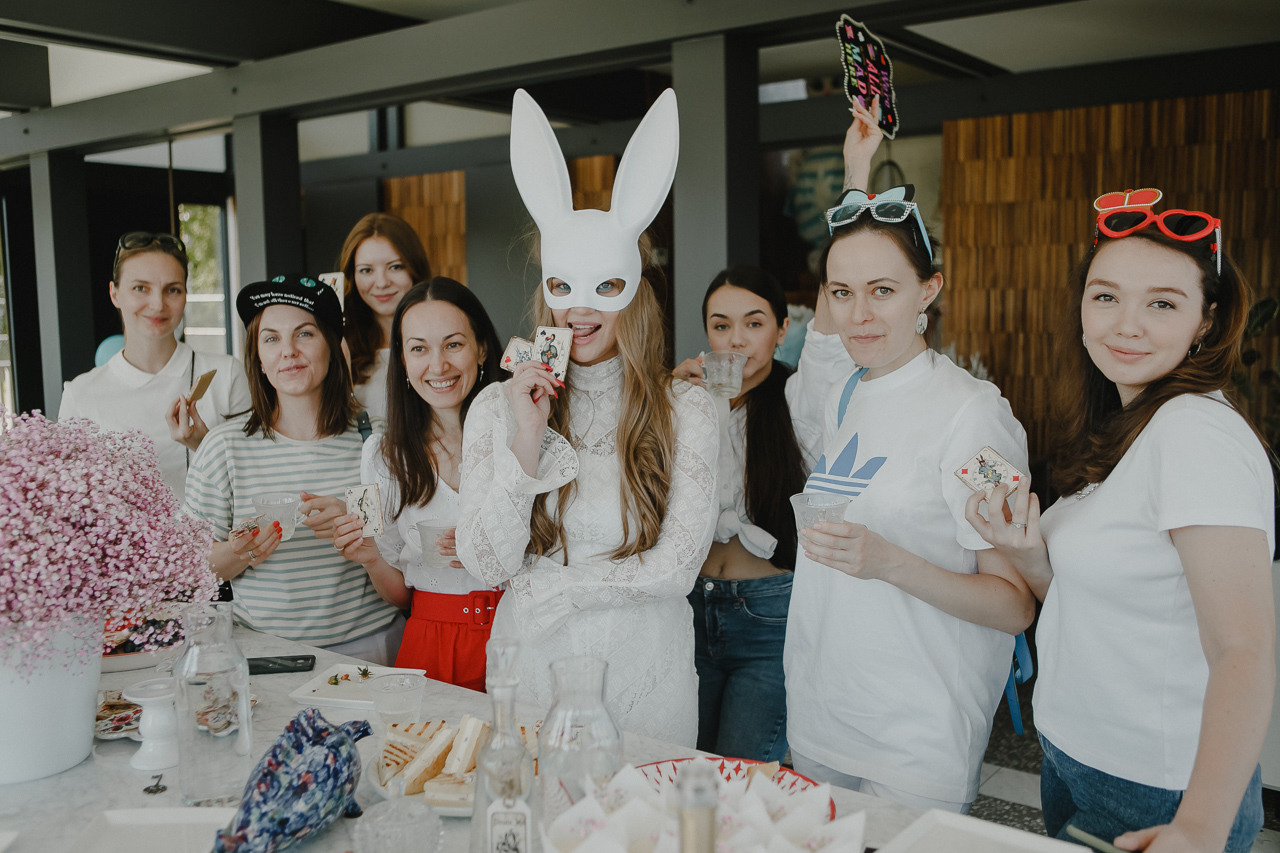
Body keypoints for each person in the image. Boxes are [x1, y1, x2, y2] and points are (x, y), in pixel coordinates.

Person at [965, 189, 1274, 853]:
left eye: (1161, 302)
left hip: (1155, 788)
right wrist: (1026, 556)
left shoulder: (1196, 434)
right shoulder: (1134, 426)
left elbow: (1244, 650)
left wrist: (1196, 828)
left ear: (1206, 320)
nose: (1125, 324)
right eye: (1106, 296)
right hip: (1079, 761)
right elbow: (1107, 602)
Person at [456, 87, 717, 746]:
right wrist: (525, 434)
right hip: (531, 667)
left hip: (644, 669)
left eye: (604, 286)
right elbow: (486, 562)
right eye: (563, 285)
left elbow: (677, 566)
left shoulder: (689, 409)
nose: (580, 308)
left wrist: (563, 590)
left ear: (634, 289)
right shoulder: (498, 403)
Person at [782, 176, 1035, 811]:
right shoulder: (846, 395)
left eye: (883, 291)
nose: (859, 315)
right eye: (842, 293)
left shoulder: (973, 415)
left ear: (929, 289)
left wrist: (889, 561)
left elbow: (1014, 605)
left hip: (915, 734)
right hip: (819, 709)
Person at [184, 275, 401, 662]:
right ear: (259, 359)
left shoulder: (375, 441)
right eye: (271, 339)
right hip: (267, 653)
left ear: (332, 348)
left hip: (372, 649)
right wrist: (241, 551)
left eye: (304, 334)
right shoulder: (223, 448)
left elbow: (405, 564)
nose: (288, 351)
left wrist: (356, 521)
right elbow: (192, 568)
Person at [671, 266, 816, 762]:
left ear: (782, 330)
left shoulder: (799, 403)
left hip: (769, 613)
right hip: (688, 605)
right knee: (685, 763)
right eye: (721, 325)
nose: (736, 341)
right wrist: (666, 398)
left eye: (754, 324)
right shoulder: (685, 402)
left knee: (742, 772)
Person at [331, 277, 504, 690]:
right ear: (404, 362)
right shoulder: (381, 457)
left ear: (481, 348)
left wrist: (495, 551)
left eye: (454, 344)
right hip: (430, 643)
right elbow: (401, 595)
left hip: (517, 636)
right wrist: (370, 556)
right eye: (419, 348)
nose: (438, 365)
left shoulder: (523, 438)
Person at [59, 231, 249, 501]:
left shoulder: (227, 375)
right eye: (140, 288)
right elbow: (72, 502)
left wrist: (204, 446)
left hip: (216, 542)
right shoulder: (80, 394)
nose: (158, 304)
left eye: (173, 289)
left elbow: (256, 482)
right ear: (114, 294)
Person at [338, 213, 432, 418]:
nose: (381, 282)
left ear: (414, 268)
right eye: (366, 270)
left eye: (395, 267)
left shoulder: (444, 334)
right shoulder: (339, 344)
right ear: (351, 276)